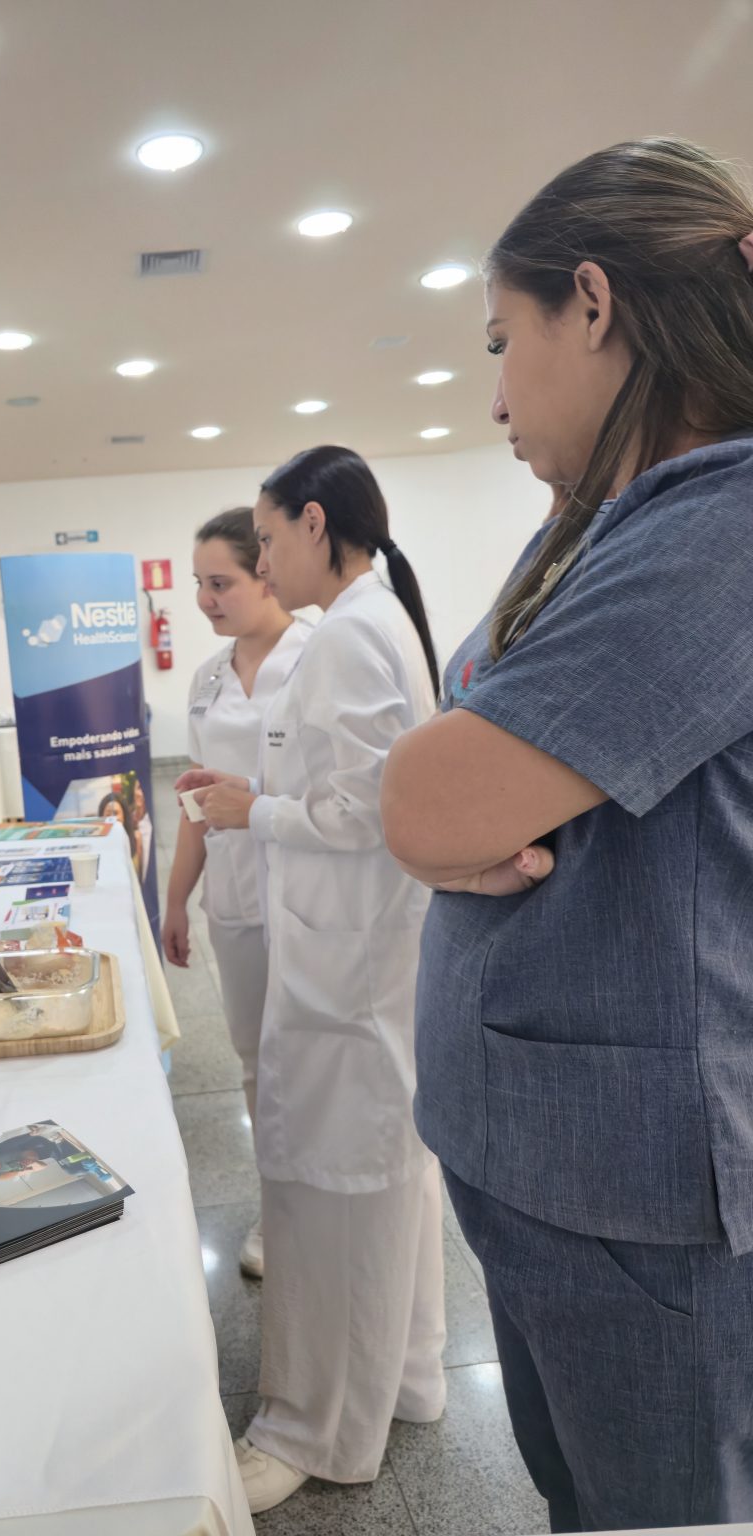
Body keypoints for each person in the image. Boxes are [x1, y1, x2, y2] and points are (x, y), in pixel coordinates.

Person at [380, 138, 753, 1531]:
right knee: (583, 1497)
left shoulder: (722, 528)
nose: (494, 397)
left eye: (502, 342)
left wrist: (437, 823)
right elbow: (456, 762)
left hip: (637, 1184)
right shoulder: (621, 522)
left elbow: (427, 798)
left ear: (591, 304)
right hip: (556, 1156)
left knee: (651, 1512)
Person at [178, 447, 447, 1512]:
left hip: (347, 968)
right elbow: (348, 782)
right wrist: (261, 793)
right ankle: (405, 1378)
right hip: (354, 955)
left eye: (266, 538)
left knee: (332, 1192)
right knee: (377, 1182)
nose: (262, 561)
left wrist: (257, 810)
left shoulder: (343, 635)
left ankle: (317, 1429)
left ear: (314, 524)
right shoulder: (370, 623)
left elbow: (368, 811)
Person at [162, 507, 310, 1277]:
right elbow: (197, 801)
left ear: (267, 573)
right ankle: (278, 1208)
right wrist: (175, 899)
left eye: (219, 583)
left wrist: (254, 798)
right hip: (235, 897)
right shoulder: (208, 679)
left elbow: (347, 792)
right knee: (256, 1060)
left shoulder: (318, 659)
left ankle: (330, 1206)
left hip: (314, 894)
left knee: (315, 1056)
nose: (204, 600)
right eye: (199, 583)